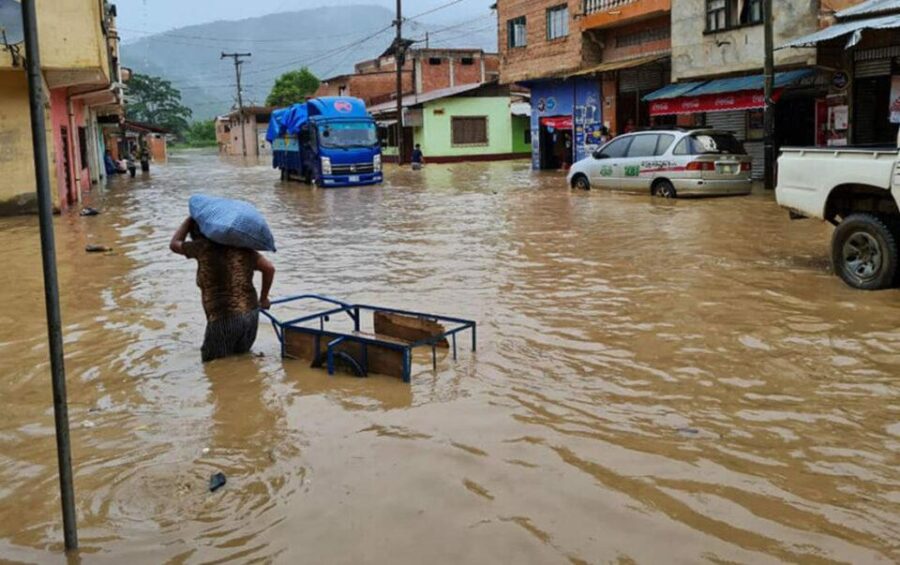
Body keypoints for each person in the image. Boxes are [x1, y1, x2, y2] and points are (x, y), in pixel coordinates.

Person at [170, 217, 276, 362]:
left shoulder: (202, 247)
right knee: (242, 361)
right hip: (251, 316)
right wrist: (263, 299)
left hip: (223, 319)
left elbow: (174, 244)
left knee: (213, 367)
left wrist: (188, 221)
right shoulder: (243, 248)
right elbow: (269, 268)